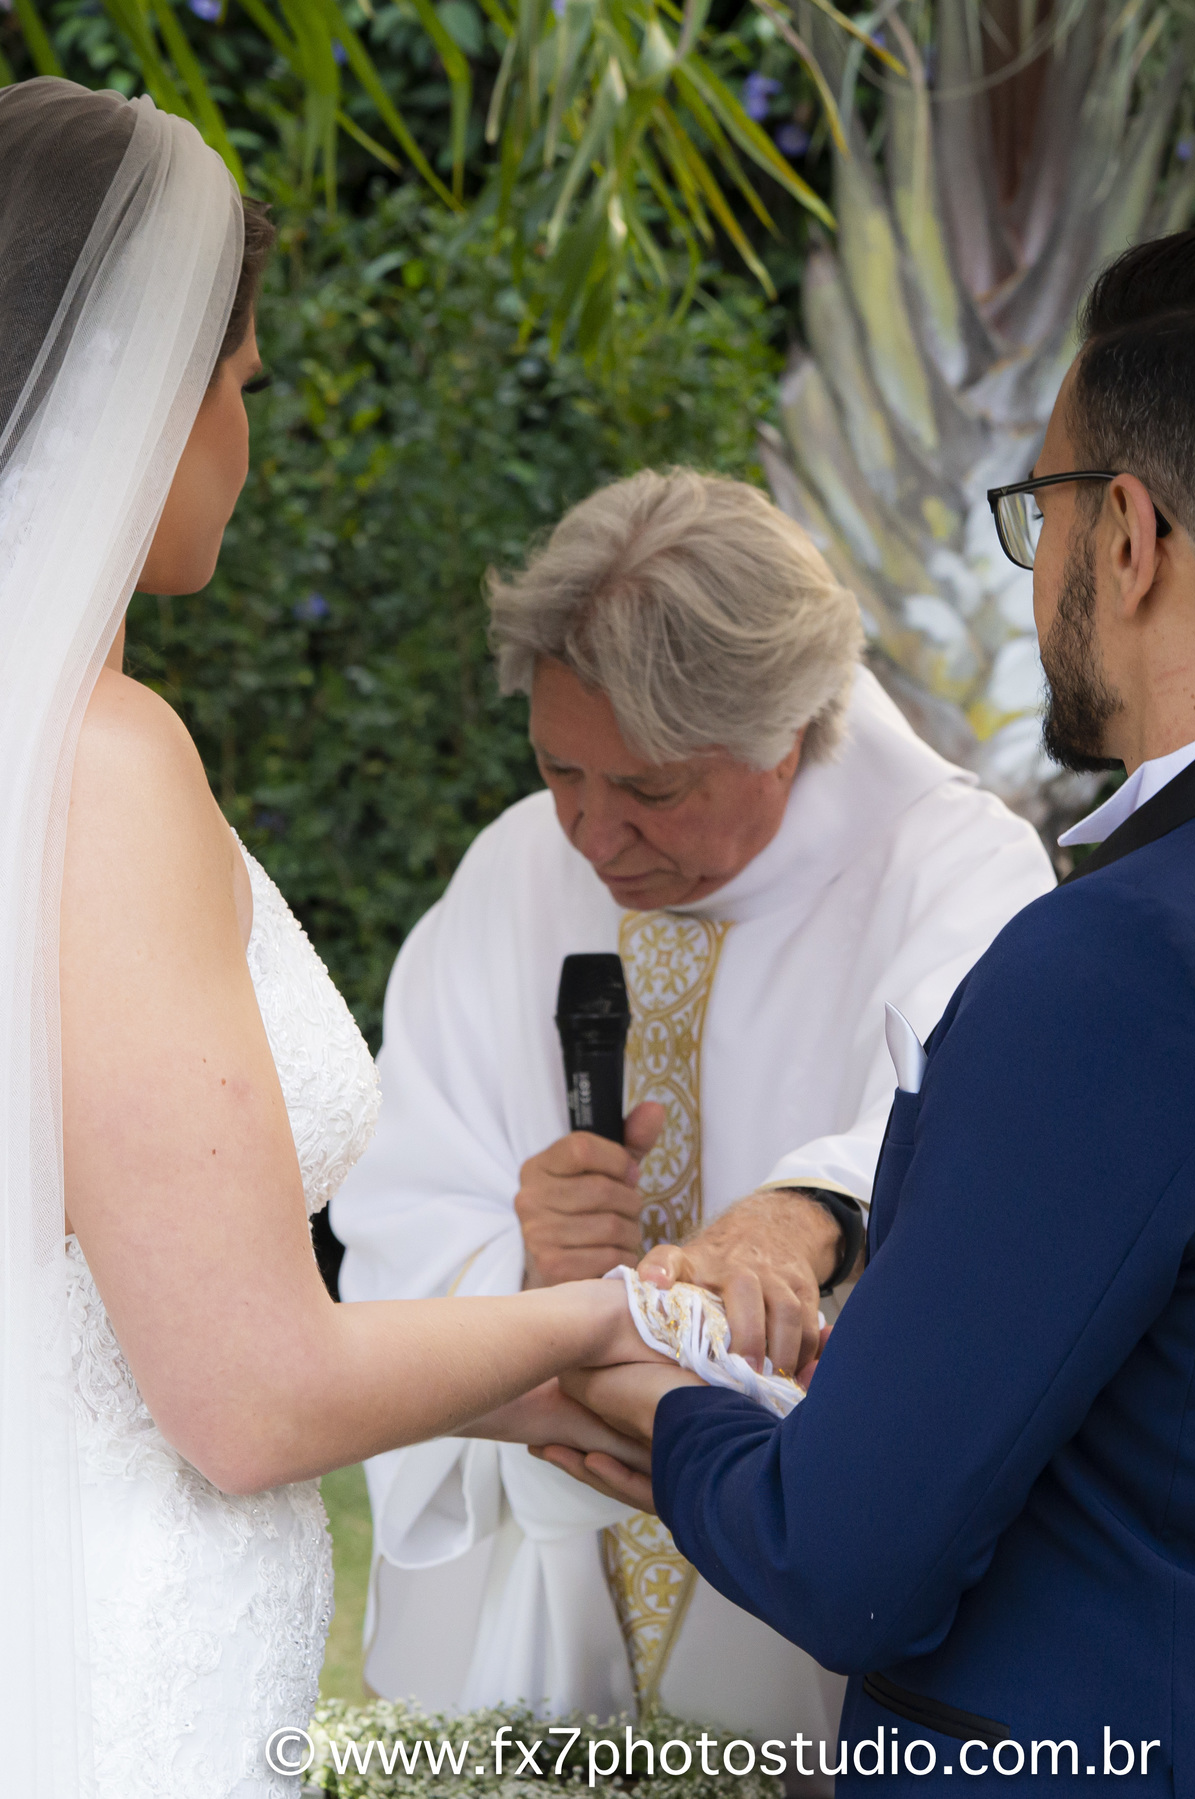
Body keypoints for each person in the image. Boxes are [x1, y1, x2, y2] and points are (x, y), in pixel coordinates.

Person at [1, 78, 657, 1799]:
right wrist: (593, 1316)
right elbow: (247, 1395)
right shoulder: (100, 761)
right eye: (245, 385)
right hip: (124, 1679)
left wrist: (499, 1386)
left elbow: (125, 1312)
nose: (250, 433)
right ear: (145, 384)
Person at [559, 229, 1195, 1794]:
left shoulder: (1116, 966)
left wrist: (663, 1410)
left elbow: (843, 1554)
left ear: (1125, 536)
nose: (1032, 558)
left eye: (1036, 506)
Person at [331, 468, 1054, 1751]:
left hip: (806, 1630)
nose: (593, 833)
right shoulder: (512, 870)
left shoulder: (954, 869)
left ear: (785, 734)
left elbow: (971, 1143)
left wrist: (803, 1216)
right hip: (537, 1609)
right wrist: (529, 1262)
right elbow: (397, 1206)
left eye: (653, 790)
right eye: (559, 766)